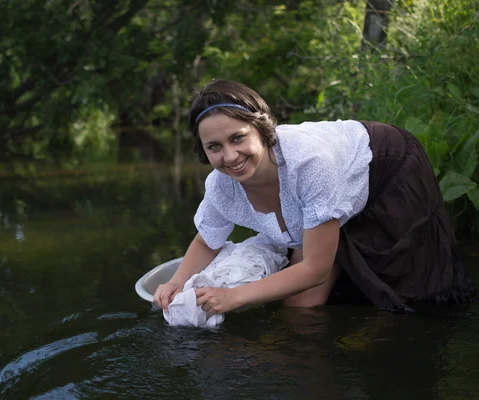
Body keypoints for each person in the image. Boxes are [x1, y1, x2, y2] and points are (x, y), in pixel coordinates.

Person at [153, 79, 476, 314]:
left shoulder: (309, 164)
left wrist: (233, 297)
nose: (230, 155)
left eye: (238, 138)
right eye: (214, 147)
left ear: (263, 131)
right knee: (298, 308)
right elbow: (208, 240)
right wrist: (178, 282)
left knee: (410, 293)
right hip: (329, 193)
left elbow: (315, 269)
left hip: (386, 171)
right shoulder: (221, 186)